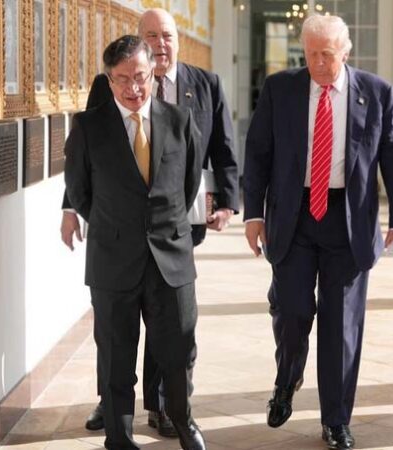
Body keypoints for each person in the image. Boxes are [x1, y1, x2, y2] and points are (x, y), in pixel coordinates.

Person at [61, 8, 239, 437]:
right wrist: (111, 220)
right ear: (110, 80)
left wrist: (179, 216)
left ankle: (178, 417)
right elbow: (82, 184)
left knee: (177, 346)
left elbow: (194, 171)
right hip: (115, 253)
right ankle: (119, 431)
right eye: (123, 79)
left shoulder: (184, 114)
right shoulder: (91, 122)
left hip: (170, 248)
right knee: (117, 350)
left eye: (140, 76)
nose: (134, 86)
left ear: (154, 71)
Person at [243, 14, 393, 450]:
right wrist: (253, 214)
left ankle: (335, 420)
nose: (318, 63)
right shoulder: (281, 89)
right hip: (294, 217)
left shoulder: (376, 93)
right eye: (311, 53)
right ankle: (288, 378)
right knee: (293, 310)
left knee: (341, 328)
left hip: (348, 221)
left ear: (346, 51)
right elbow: (258, 152)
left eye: (327, 54)